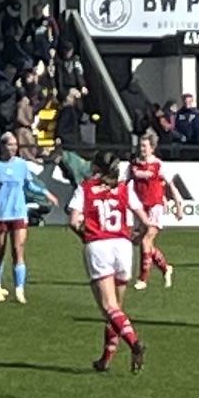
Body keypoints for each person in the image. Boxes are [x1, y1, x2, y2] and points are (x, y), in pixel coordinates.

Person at [71, 149, 145, 374]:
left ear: (95, 167)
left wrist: (86, 236)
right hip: (123, 247)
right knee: (117, 310)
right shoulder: (124, 188)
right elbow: (145, 219)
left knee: (109, 308)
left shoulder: (85, 188)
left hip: (99, 246)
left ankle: (134, 343)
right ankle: (105, 359)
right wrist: (138, 238)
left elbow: (74, 221)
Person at [0, 143, 40, 306]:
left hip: (18, 212)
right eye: (10, 144)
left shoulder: (21, 165)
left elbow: (30, 185)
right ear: (3, 146)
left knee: (18, 250)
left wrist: (45, 193)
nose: (14, 147)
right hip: (0, 214)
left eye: (15, 144)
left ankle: (19, 290)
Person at [124, 137, 177, 290]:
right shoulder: (133, 164)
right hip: (141, 209)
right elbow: (124, 183)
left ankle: (143, 279)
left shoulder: (158, 164)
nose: (142, 149)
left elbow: (170, 184)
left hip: (155, 206)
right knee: (144, 243)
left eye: (145, 146)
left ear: (152, 148)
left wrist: (178, 204)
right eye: (140, 146)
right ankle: (166, 268)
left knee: (146, 241)